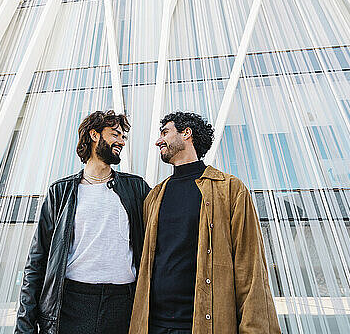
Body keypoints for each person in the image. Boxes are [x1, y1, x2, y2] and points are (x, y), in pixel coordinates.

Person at [129, 112, 281, 334]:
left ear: (186, 133)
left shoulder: (229, 189)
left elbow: (250, 269)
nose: (158, 141)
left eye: (165, 133)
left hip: (203, 325)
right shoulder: (155, 196)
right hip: (153, 325)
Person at [15, 110, 151, 334]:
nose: (121, 141)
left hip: (123, 304)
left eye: (123, 137)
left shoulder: (136, 188)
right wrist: (25, 325)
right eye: (115, 134)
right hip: (72, 303)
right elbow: (37, 261)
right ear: (94, 135)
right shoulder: (61, 192)